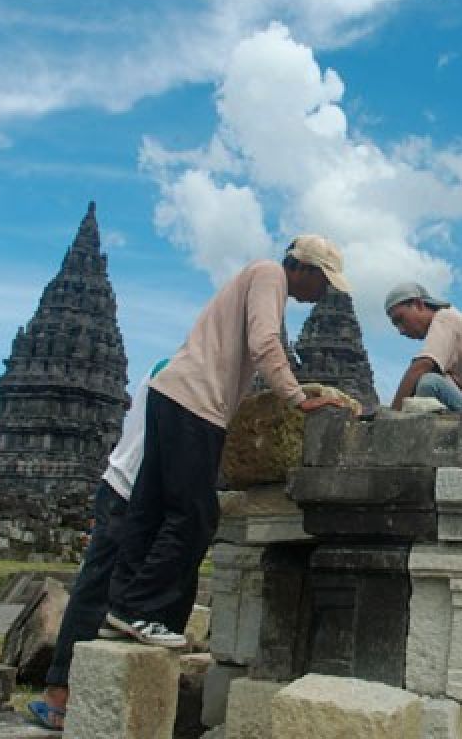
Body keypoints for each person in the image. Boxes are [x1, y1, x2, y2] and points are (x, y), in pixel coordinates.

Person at [105, 235, 352, 649]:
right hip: (197, 403)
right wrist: (297, 400)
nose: (323, 293)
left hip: (170, 394)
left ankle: (120, 607)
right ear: (303, 269)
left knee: (151, 509)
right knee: (195, 513)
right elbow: (265, 342)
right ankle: (144, 611)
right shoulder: (270, 274)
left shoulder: (258, 278)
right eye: (323, 281)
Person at [27, 359, 167, 730]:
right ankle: (59, 694)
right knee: (97, 590)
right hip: (128, 489)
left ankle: (111, 695)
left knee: (132, 599)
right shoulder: (173, 371)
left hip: (151, 498)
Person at [383, 281, 462, 412]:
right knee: (421, 385)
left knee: (430, 383)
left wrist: (391, 414)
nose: (401, 330)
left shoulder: (445, 318)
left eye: (400, 319)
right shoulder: (447, 322)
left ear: (418, 304)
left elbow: (421, 366)